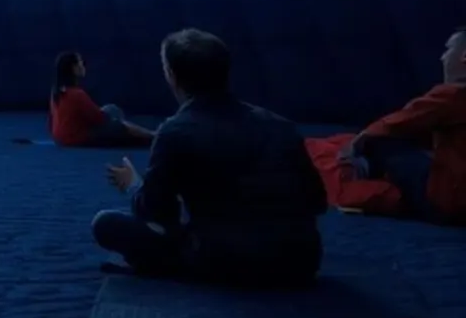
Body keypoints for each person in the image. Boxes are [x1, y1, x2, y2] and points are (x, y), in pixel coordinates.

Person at [92, 29, 325, 286]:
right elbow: (318, 201)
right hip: (301, 261)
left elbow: (157, 215)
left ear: (172, 75)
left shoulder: (175, 131)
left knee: (106, 224)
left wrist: (135, 184)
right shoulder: (280, 125)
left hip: (223, 261)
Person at [339, 25, 466, 225]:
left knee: (380, 143)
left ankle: (365, 180)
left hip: (449, 206)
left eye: (448, 50)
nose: (443, 58)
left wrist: (355, 146)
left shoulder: (453, 95)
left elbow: (391, 125)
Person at [50, 52, 155, 148]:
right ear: (73, 68)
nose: (83, 66)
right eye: (80, 63)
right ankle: (152, 136)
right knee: (118, 123)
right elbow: (99, 118)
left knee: (112, 109)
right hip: (76, 139)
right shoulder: (76, 94)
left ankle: (140, 135)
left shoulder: (57, 92)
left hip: (61, 138)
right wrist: (113, 121)